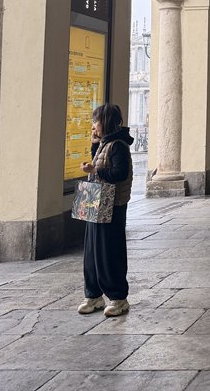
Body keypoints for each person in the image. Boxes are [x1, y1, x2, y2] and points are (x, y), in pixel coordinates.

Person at [78, 103, 133, 317]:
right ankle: (93, 295)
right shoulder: (104, 143)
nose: (93, 125)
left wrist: (95, 170)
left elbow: (119, 173)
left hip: (112, 206)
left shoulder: (118, 145)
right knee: (91, 252)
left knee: (109, 252)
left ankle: (118, 298)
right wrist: (94, 147)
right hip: (97, 202)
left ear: (106, 122)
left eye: (96, 121)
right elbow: (100, 166)